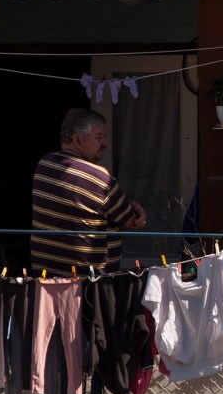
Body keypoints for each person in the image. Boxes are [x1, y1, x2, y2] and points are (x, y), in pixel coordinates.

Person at [31, 108, 147, 275]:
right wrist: (136, 208)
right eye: (99, 137)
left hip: (46, 276)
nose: (105, 143)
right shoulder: (99, 178)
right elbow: (130, 221)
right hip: (89, 282)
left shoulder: (44, 165)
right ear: (78, 140)